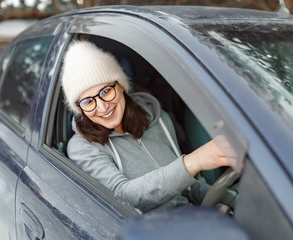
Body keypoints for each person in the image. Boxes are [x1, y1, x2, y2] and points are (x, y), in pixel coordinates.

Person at [61, 40, 232, 212]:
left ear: (120, 86)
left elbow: (190, 186)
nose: (103, 107)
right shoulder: (81, 147)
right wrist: (192, 162)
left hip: (193, 218)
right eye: (88, 101)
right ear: (79, 108)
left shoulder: (158, 119)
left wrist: (227, 204)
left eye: (106, 91)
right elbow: (123, 197)